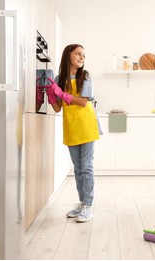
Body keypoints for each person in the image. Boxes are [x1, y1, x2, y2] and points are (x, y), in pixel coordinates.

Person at [45, 44, 101, 223]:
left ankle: (89, 206)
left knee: (86, 167)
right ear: (67, 55)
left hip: (86, 126)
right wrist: (50, 94)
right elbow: (56, 108)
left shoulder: (85, 76)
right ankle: (82, 202)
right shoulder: (59, 79)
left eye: (83, 54)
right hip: (71, 128)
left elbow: (83, 102)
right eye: (78, 53)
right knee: (77, 169)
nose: (82, 57)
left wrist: (61, 93)